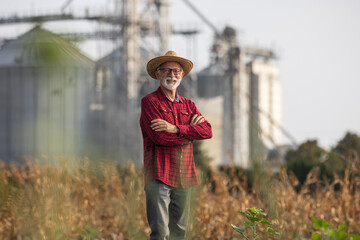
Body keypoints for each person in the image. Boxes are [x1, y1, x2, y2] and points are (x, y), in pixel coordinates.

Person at [140, 50, 213, 240]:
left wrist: (175, 129)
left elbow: (208, 131)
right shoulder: (150, 102)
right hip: (159, 174)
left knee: (180, 232)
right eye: (166, 70)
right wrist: (190, 131)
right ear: (158, 74)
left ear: (182, 75)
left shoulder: (189, 105)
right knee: (160, 232)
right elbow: (159, 138)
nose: (171, 75)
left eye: (176, 71)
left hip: (184, 175)